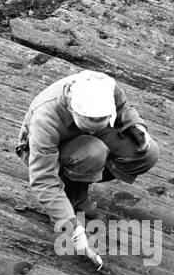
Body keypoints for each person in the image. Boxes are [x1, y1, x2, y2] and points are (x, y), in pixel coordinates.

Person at [15, 71, 158, 264]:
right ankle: (73, 198)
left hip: (86, 144)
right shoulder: (45, 119)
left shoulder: (104, 87)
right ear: (73, 111)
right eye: (88, 126)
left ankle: (82, 177)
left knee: (147, 154)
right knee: (92, 152)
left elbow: (123, 105)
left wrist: (134, 124)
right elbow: (43, 180)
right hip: (44, 153)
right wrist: (72, 230)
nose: (93, 131)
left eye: (100, 124)